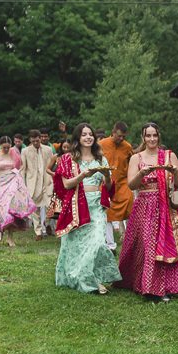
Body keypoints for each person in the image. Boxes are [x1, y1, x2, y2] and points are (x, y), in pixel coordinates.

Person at [116, 122, 178, 302]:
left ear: (159, 137)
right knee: (149, 246)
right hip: (145, 206)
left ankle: (169, 286)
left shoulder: (169, 156)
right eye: (148, 136)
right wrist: (142, 173)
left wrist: (174, 171)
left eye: (154, 135)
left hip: (166, 206)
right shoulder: (136, 158)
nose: (151, 139)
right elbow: (131, 185)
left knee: (164, 245)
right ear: (143, 137)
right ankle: (150, 287)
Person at [53, 123, 121, 294]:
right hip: (76, 206)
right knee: (76, 245)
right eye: (84, 134)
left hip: (96, 207)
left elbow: (109, 186)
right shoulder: (69, 159)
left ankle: (94, 278)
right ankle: (84, 278)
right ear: (78, 138)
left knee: (98, 243)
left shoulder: (101, 159)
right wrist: (82, 175)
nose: (88, 137)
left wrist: (106, 176)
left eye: (90, 134)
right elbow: (66, 184)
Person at [0, 136, 37, 247]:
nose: (6, 149)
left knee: (11, 209)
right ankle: (0, 231)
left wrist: (17, 175)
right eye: (4, 147)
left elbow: (21, 166)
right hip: (1, 182)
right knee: (1, 208)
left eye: (8, 147)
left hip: (13, 181)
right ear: (0, 146)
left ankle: (10, 237)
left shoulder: (14, 153)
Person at [99, 122, 134, 251]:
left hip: (123, 182)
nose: (121, 139)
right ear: (113, 132)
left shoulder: (127, 146)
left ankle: (130, 240)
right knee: (108, 211)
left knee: (130, 204)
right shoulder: (102, 144)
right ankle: (110, 245)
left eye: (123, 136)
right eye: (119, 136)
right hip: (106, 183)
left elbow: (132, 162)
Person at [21, 129, 56, 240]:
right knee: (34, 208)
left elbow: (51, 165)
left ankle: (47, 223)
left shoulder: (48, 149)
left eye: (38, 140)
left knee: (49, 205)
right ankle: (38, 232)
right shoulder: (25, 151)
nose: (36, 142)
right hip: (33, 183)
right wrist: (22, 184)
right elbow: (23, 168)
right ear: (30, 140)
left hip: (47, 181)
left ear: (40, 138)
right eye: (34, 140)